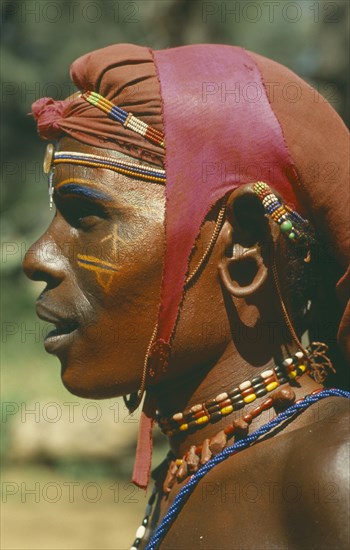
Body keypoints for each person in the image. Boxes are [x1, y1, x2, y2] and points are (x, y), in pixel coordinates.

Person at [23, 44, 349, 549]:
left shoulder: (332, 474)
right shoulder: (191, 467)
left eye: (85, 215)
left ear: (245, 249)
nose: (38, 257)